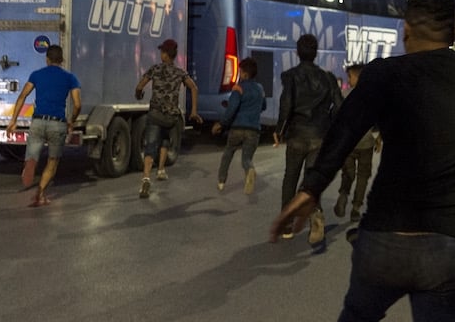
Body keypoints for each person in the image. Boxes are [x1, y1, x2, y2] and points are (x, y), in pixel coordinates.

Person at [270, 0, 455, 322]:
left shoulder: (384, 72)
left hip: (385, 241)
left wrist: (311, 188)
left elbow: (345, 128)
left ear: (406, 31)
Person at [274, 33, 343, 243]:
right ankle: (315, 216)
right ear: (316, 53)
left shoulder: (291, 76)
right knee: (312, 181)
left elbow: (286, 104)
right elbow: (340, 106)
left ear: (297, 52)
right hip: (319, 137)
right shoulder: (328, 78)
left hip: (297, 135)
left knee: (290, 179)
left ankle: (286, 225)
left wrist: (280, 129)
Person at [7, 44, 81, 207]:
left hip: (38, 121)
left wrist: (13, 120)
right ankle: (40, 193)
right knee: (53, 161)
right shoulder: (70, 78)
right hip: (57, 123)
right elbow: (77, 104)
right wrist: (72, 120)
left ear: (46, 59)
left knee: (33, 152)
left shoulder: (36, 75)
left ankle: (30, 162)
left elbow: (22, 96)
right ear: (62, 60)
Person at [135, 39, 202, 199]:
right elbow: (194, 87)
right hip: (171, 117)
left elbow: (139, 86)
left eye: (162, 52)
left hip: (155, 114)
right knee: (165, 137)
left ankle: (146, 178)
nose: (161, 54)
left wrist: (139, 94)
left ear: (165, 54)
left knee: (150, 145)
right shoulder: (180, 73)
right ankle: (161, 170)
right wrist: (193, 111)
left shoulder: (155, 69)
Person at [211, 57, 267, 194]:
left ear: (244, 74)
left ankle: (221, 181)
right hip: (253, 130)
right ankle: (250, 169)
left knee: (228, 153)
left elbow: (231, 109)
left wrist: (221, 124)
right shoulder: (260, 89)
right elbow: (263, 106)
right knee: (246, 158)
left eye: (240, 72)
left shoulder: (238, 88)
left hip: (237, 128)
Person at [333, 63, 381, 222]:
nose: (349, 79)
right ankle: (356, 208)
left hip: (348, 143)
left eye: (350, 76)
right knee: (363, 176)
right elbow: (381, 119)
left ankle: (343, 194)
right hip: (366, 143)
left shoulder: (345, 95)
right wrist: (380, 138)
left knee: (348, 172)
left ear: (357, 77)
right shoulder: (373, 96)